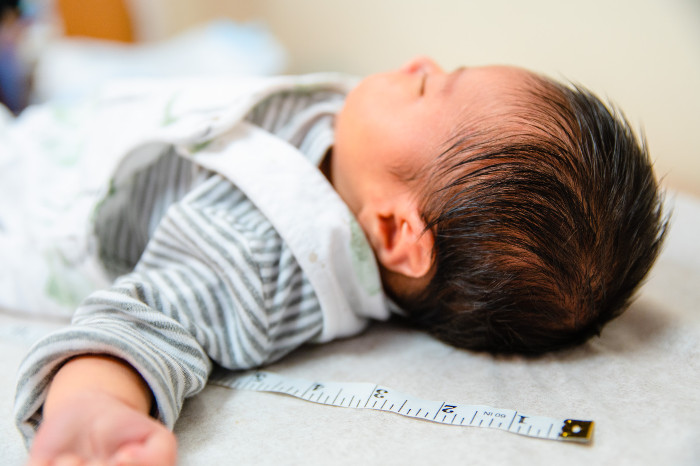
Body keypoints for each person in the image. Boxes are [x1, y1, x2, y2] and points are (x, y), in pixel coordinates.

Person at [15, 56, 666, 464]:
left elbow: (144, 324)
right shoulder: (370, 164)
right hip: (91, 125)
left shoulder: (253, 262)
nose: (419, 63)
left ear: (394, 231)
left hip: (27, 194)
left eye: (428, 89)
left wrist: (94, 408)